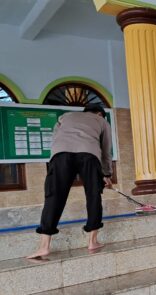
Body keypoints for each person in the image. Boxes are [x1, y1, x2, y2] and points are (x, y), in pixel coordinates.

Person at [27, 104, 113, 259]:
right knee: (93, 195)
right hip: (89, 154)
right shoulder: (102, 122)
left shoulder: (65, 117)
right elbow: (106, 150)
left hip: (60, 155)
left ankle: (44, 246)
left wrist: (55, 162)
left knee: (53, 197)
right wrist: (106, 174)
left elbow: (55, 139)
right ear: (100, 113)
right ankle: (92, 241)